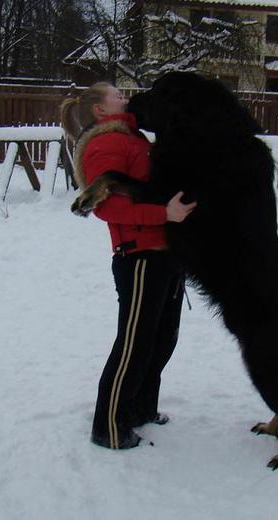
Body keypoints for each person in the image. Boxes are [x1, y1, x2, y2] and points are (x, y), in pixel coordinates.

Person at [60, 82, 196, 450]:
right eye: (117, 94)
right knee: (134, 343)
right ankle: (107, 427)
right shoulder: (106, 143)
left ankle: (139, 409)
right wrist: (163, 213)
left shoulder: (136, 139)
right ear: (100, 111)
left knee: (162, 338)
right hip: (139, 256)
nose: (126, 96)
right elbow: (107, 207)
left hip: (166, 253)